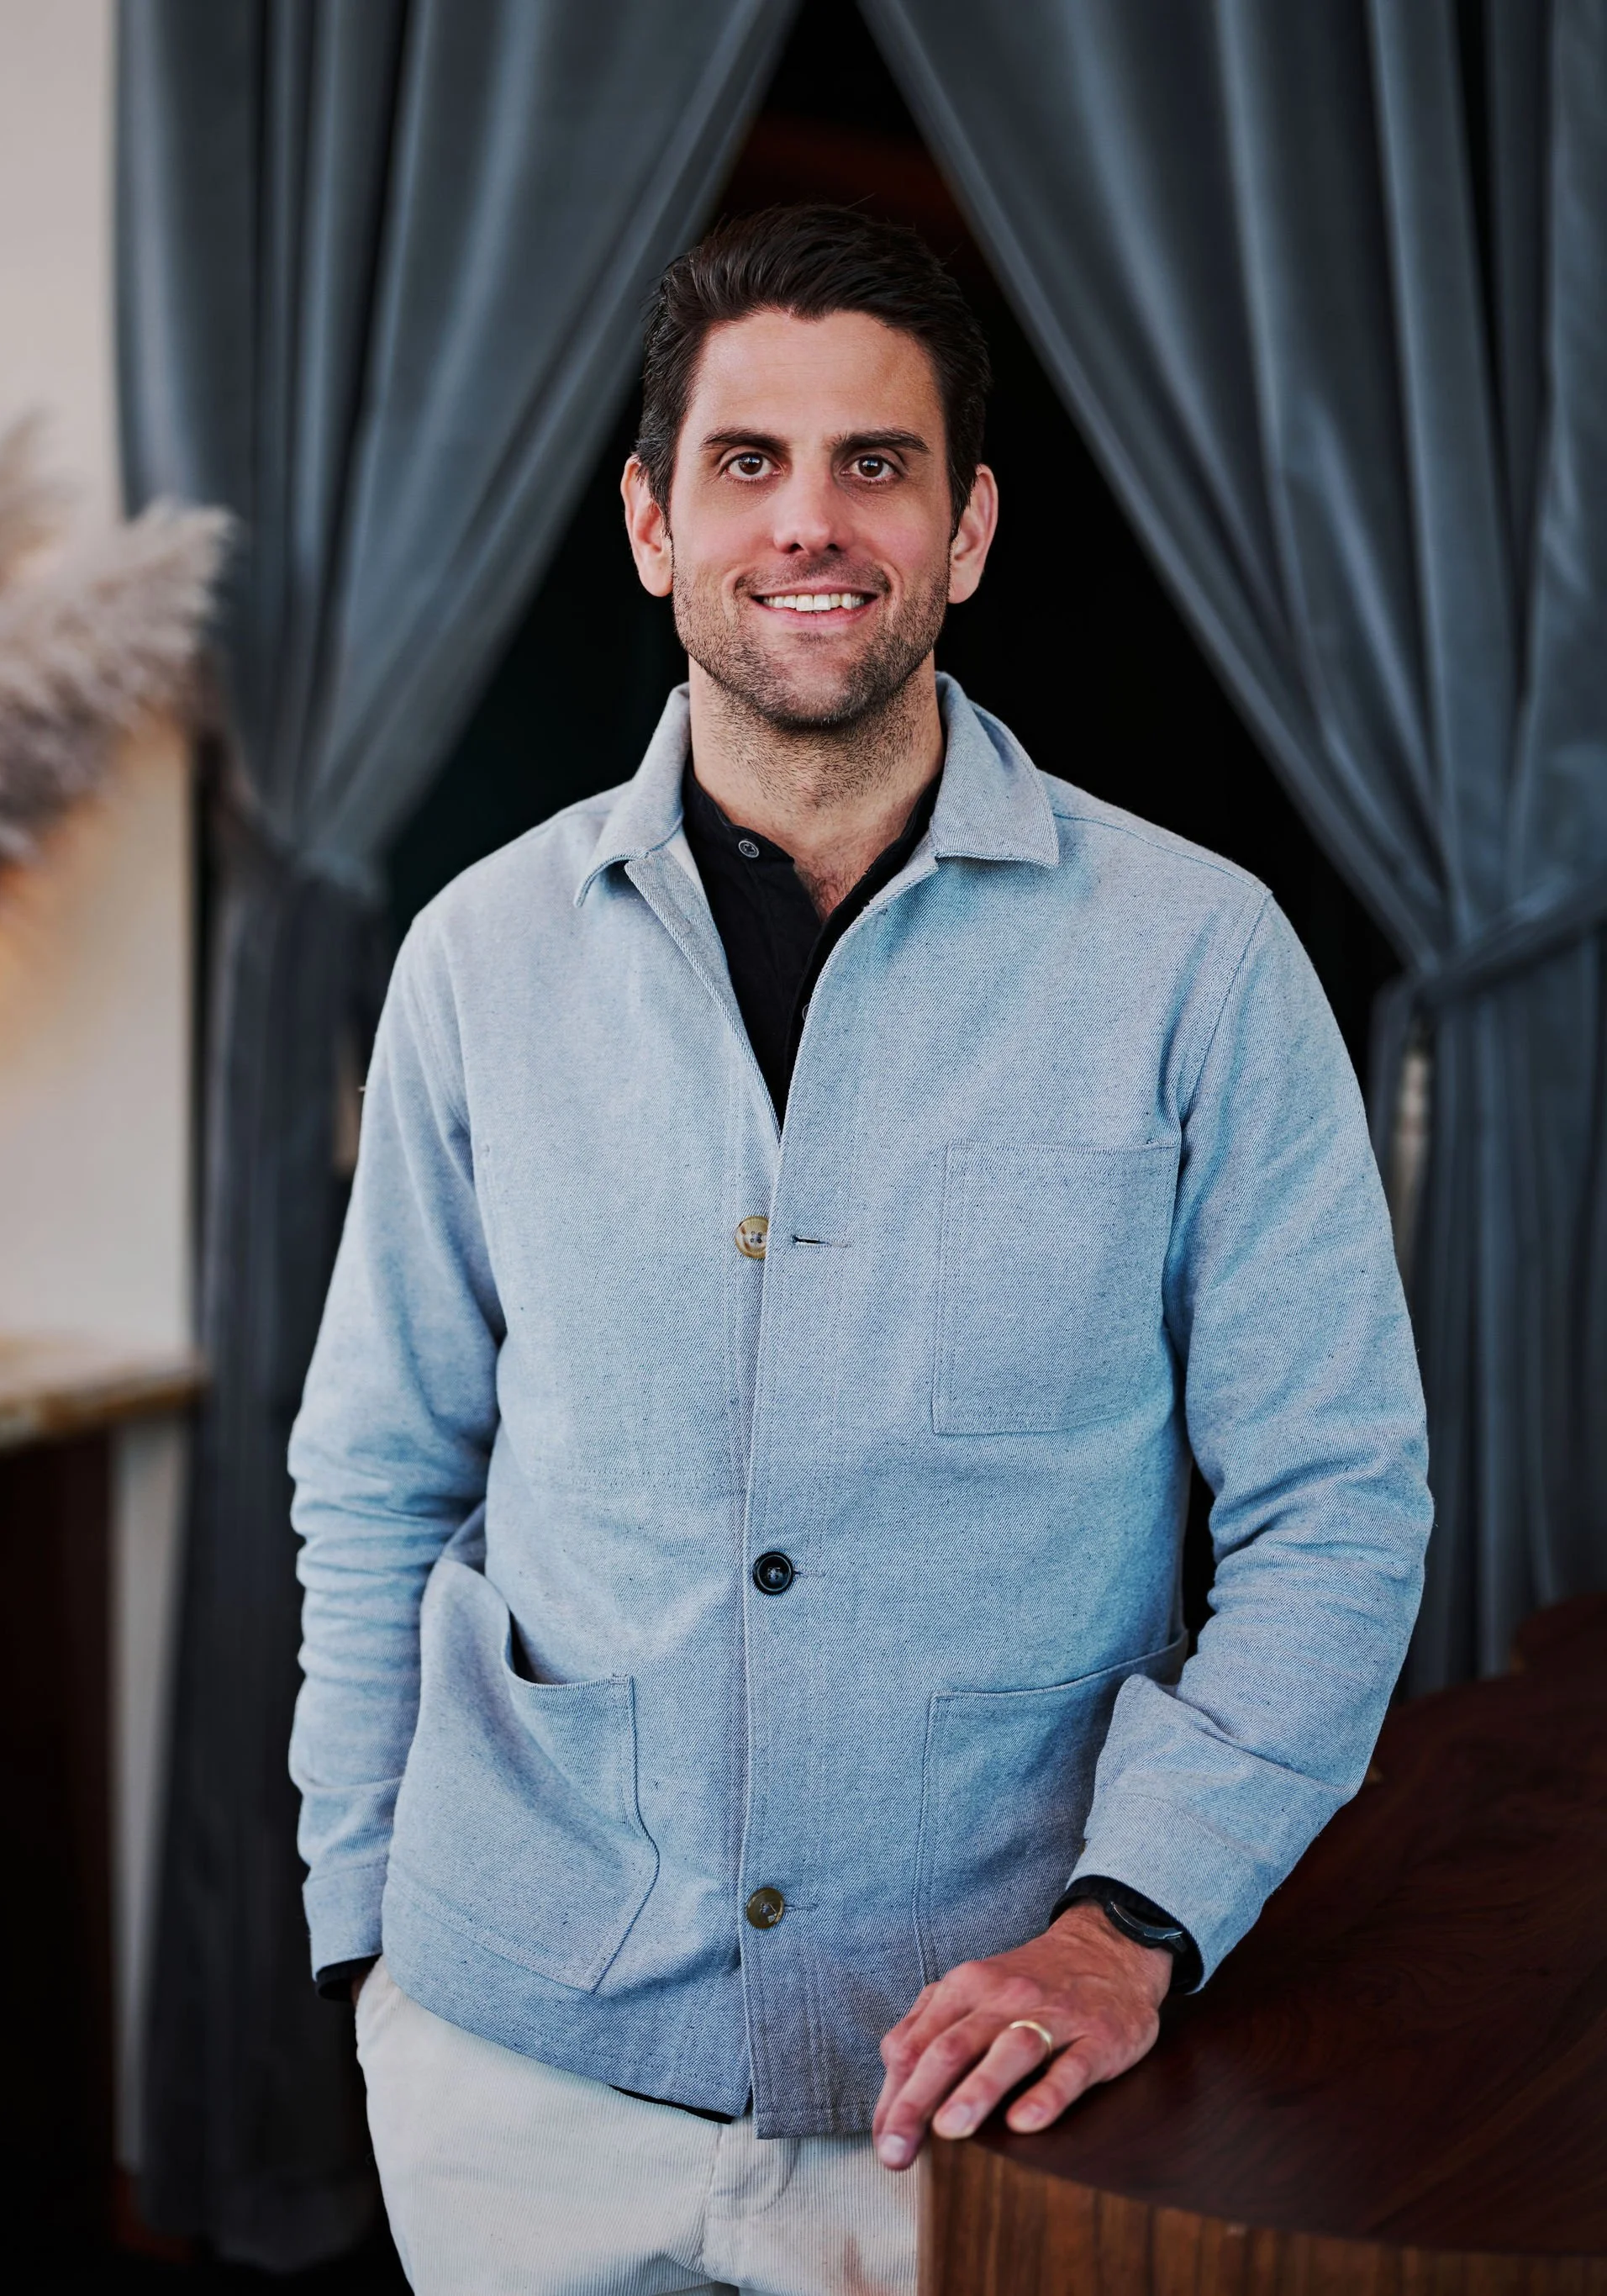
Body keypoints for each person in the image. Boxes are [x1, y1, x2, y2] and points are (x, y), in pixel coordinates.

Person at [288, 205, 1430, 2295]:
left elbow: (1336, 1503)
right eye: (747, 463)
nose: (810, 523)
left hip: (991, 2100)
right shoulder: (476, 956)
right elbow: (377, 1475)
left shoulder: (1198, 960)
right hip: (510, 2072)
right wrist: (363, 1929)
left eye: (874, 464)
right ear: (649, 524)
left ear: (968, 529)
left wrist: (1131, 1928)